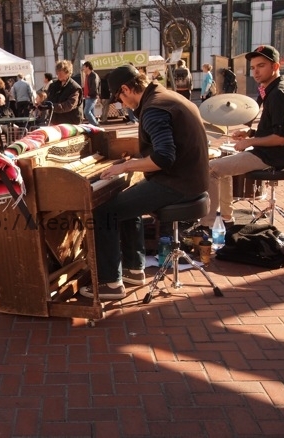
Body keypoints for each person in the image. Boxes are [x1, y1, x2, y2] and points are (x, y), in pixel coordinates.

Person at [78, 64, 209, 300]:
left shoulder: (153, 109)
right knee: (128, 203)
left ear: (126, 89)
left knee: (104, 211)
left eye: (118, 97)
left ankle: (109, 284)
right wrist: (133, 162)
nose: (120, 103)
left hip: (178, 184)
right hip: (191, 179)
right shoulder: (164, 96)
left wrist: (125, 166)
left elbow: (163, 157)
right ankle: (134, 269)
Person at [199, 45, 284, 229]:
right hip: (270, 152)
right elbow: (277, 129)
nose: (255, 71)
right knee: (222, 165)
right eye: (253, 67)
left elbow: (281, 138)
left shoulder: (279, 93)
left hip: (272, 156)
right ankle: (226, 218)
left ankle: (207, 226)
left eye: (261, 66)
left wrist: (250, 142)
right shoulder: (276, 89)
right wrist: (250, 133)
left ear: (275, 67)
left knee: (210, 169)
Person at [46, 60, 82, 125]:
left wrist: (52, 107)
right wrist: (43, 105)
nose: (58, 74)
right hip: (55, 121)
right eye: (57, 72)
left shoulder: (74, 87)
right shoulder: (53, 85)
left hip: (70, 122)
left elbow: (69, 105)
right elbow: (49, 100)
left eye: (60, 72)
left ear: (68, 73)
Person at [81, 61, 100, 126]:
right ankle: (94, 126)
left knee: (86, 111)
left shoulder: (93, 75)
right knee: (91, 112)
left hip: (91, 97)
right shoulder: (87, 76)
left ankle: (96, 124)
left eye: (84, 67)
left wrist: (90, 95)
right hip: (88, 97)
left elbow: (94, 86)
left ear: (87, 67)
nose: (83, 69)